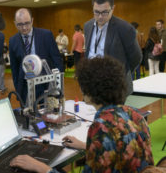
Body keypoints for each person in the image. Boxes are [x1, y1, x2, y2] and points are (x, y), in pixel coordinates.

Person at [10, 56, 154, 173]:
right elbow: (122, 148)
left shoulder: (102, 127)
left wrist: (41, 168)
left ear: (90, 91)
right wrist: (87, 146)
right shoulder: (135, 115)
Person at [84, 0, 142, 95]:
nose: (100, 16)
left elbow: (136, 57)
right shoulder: (87, 26)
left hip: (115, 86)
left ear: (113, 8)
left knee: (112, 112)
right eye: (96, 12)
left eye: (105, 12)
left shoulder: (125, 28)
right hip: (93, 83)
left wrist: (120, 76)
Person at [9, 8, 63, 103]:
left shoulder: (46, 35)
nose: (24, 27)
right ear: (14, 23)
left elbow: (57, 59)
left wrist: (57, 84)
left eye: (27, 23)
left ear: (32, 20)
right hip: (26, 86)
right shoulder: (13, 41)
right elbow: (14, 69)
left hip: (46, 84)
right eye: (20, 24)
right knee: (29, 115)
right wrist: (18, 89)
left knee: (48, 113)